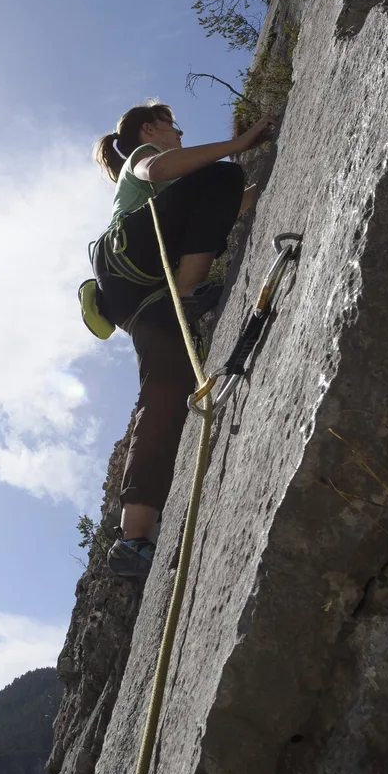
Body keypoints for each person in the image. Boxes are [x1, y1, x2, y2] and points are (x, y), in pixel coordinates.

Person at [81, 101, 275, 583]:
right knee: (222, 174)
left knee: (166, 395)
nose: (180, 133)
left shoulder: (174, 198)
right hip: (137, 264)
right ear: (150, 129)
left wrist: (267, 178)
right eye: (173, 126)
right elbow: (162, 169)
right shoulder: (142, 157)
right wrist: (237, 145)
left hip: (140, 301)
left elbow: (222, 205)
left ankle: (133, 537)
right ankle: (189, 290)